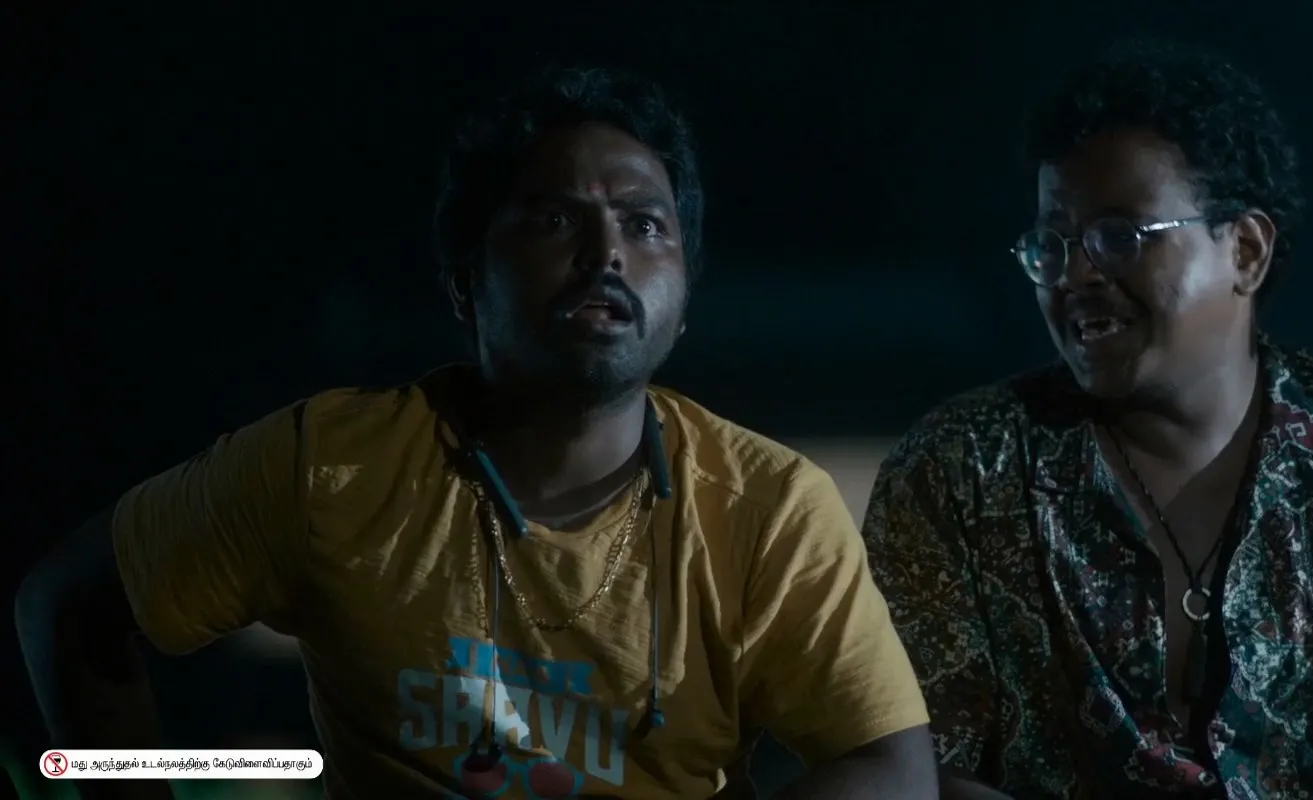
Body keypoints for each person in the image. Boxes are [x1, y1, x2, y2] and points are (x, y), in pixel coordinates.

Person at [15, 66, 937, 800]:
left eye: (644, 224)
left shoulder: (769, 508)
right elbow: (72, 604)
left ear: (683, 302)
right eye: (555, 218)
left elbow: (891, 766)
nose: (607, 252)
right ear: (466, 280)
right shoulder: (330, 467)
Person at [862, 42, 1313, 799]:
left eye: (1118, 237)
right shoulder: (962, 472)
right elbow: (915, 768)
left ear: (1244, 249)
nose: (1074, 275)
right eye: (1053, 244)